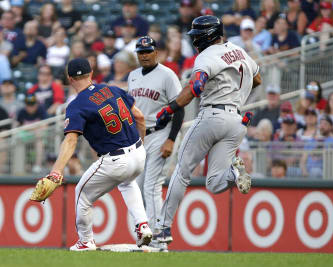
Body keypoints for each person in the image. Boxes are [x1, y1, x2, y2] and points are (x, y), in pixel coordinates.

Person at [153, 15, 261, 243]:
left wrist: (171, 108)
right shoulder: (239, 50)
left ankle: (162, 228)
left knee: (182, 171)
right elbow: (257, 78)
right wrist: (239, 97)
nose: (194, 41)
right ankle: (234, 173)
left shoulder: (206, 55)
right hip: (237, 121)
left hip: (213, 115)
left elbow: (197, 86)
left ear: (208, 36)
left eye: (197, 36)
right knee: (214, 182)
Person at [49, 58, 151, 251]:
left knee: (82, 194)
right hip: (138, 153)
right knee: (128, 183)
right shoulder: (111, 89)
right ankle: (143, 225)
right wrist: (141, 146)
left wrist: (56, 170)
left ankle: (86, 241)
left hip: (115, 159)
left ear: (69, 79)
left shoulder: (76, 105)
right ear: (91, 73)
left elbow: (71, 140)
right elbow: (139, 116)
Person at [128, 36, 184, 247]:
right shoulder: (133, 76)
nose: (144, 55)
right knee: (138, 187)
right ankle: (146, 235)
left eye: (148, 51)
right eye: (140, 52)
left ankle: (158, 241)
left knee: (152, 186)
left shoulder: (167, 75)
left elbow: (179, 108)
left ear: (156, 52)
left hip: (163, 131)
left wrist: (171, 139)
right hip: (141, 135)